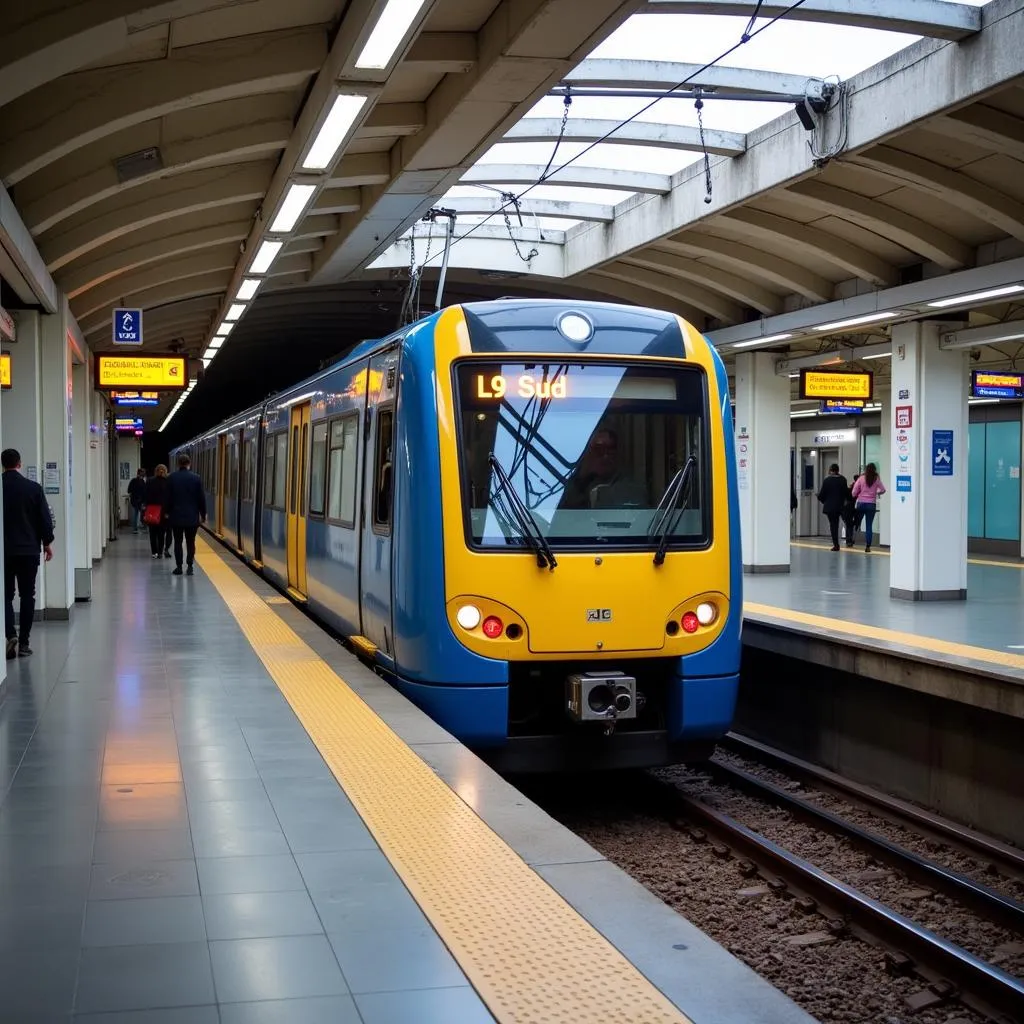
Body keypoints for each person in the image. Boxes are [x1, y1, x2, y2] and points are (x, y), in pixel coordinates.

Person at [2, 448, 54, 659]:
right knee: (27, 595)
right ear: (20, 464)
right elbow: (44, 520)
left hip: (4, 551)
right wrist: (47, 543)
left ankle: (9, 634)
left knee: (5, 596)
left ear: (2, 464)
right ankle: (24, 642)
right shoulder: (33, 488)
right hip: (29, 550)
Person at [559, 427, 647, 509]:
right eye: (599, 449)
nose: (606, 456)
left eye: (611, 449)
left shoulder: (627, 484)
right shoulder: (570, 483)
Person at [166, 452, 206, 575]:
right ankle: (190, 566)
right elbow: (201, 498)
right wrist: (203, 514)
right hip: (192, 517)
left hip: (176, 516)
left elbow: (168, 498)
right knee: (190, 541)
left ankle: (179, 567)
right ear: (189, 463)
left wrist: (166, 512)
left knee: (177, 542)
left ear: (178, 464)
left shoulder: (171, 477)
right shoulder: (196, 478)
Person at [851, 462, 886, 553]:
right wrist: (876, 493)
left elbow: (854, 492)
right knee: (869, 526)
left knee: (857, 523)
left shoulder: (861, 478)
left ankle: (852, 540)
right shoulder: (876, 479)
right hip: (871, 505)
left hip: (861, 504)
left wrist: (858, 494)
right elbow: (883, 490)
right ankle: (868, 546)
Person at [816, 463, 850, 552]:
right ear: (838, 470)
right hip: (840, 506)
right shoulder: (843, 479)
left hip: (830, 507)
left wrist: (821, 498)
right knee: (839, 523)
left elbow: (822, 495)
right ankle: (842, 541)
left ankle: (836, 544)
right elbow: (847, 493)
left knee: (833, 524)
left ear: (831, 470)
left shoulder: (827, 480)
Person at [144, 464, 172, 559]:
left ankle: (154, 552)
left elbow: (146, 496)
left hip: (152, 511)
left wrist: (146, 509)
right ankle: (160, 552)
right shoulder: (168, 482)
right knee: (161, 533)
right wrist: (168, 511)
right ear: (165, 471)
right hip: (164, 512)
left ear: (155, 471)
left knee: (152, 533)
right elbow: (169, 498)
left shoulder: (150, 481)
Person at [127, 468, 146, 533]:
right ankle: (143, 526)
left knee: (136, 514)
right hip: (140, 500)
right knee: (143, 513)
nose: (144, 474)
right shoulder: (142, 482)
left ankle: (135, 528)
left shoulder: (133, 481)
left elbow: (129, 490)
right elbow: (144, 492)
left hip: (135, 500)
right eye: (143, 472)